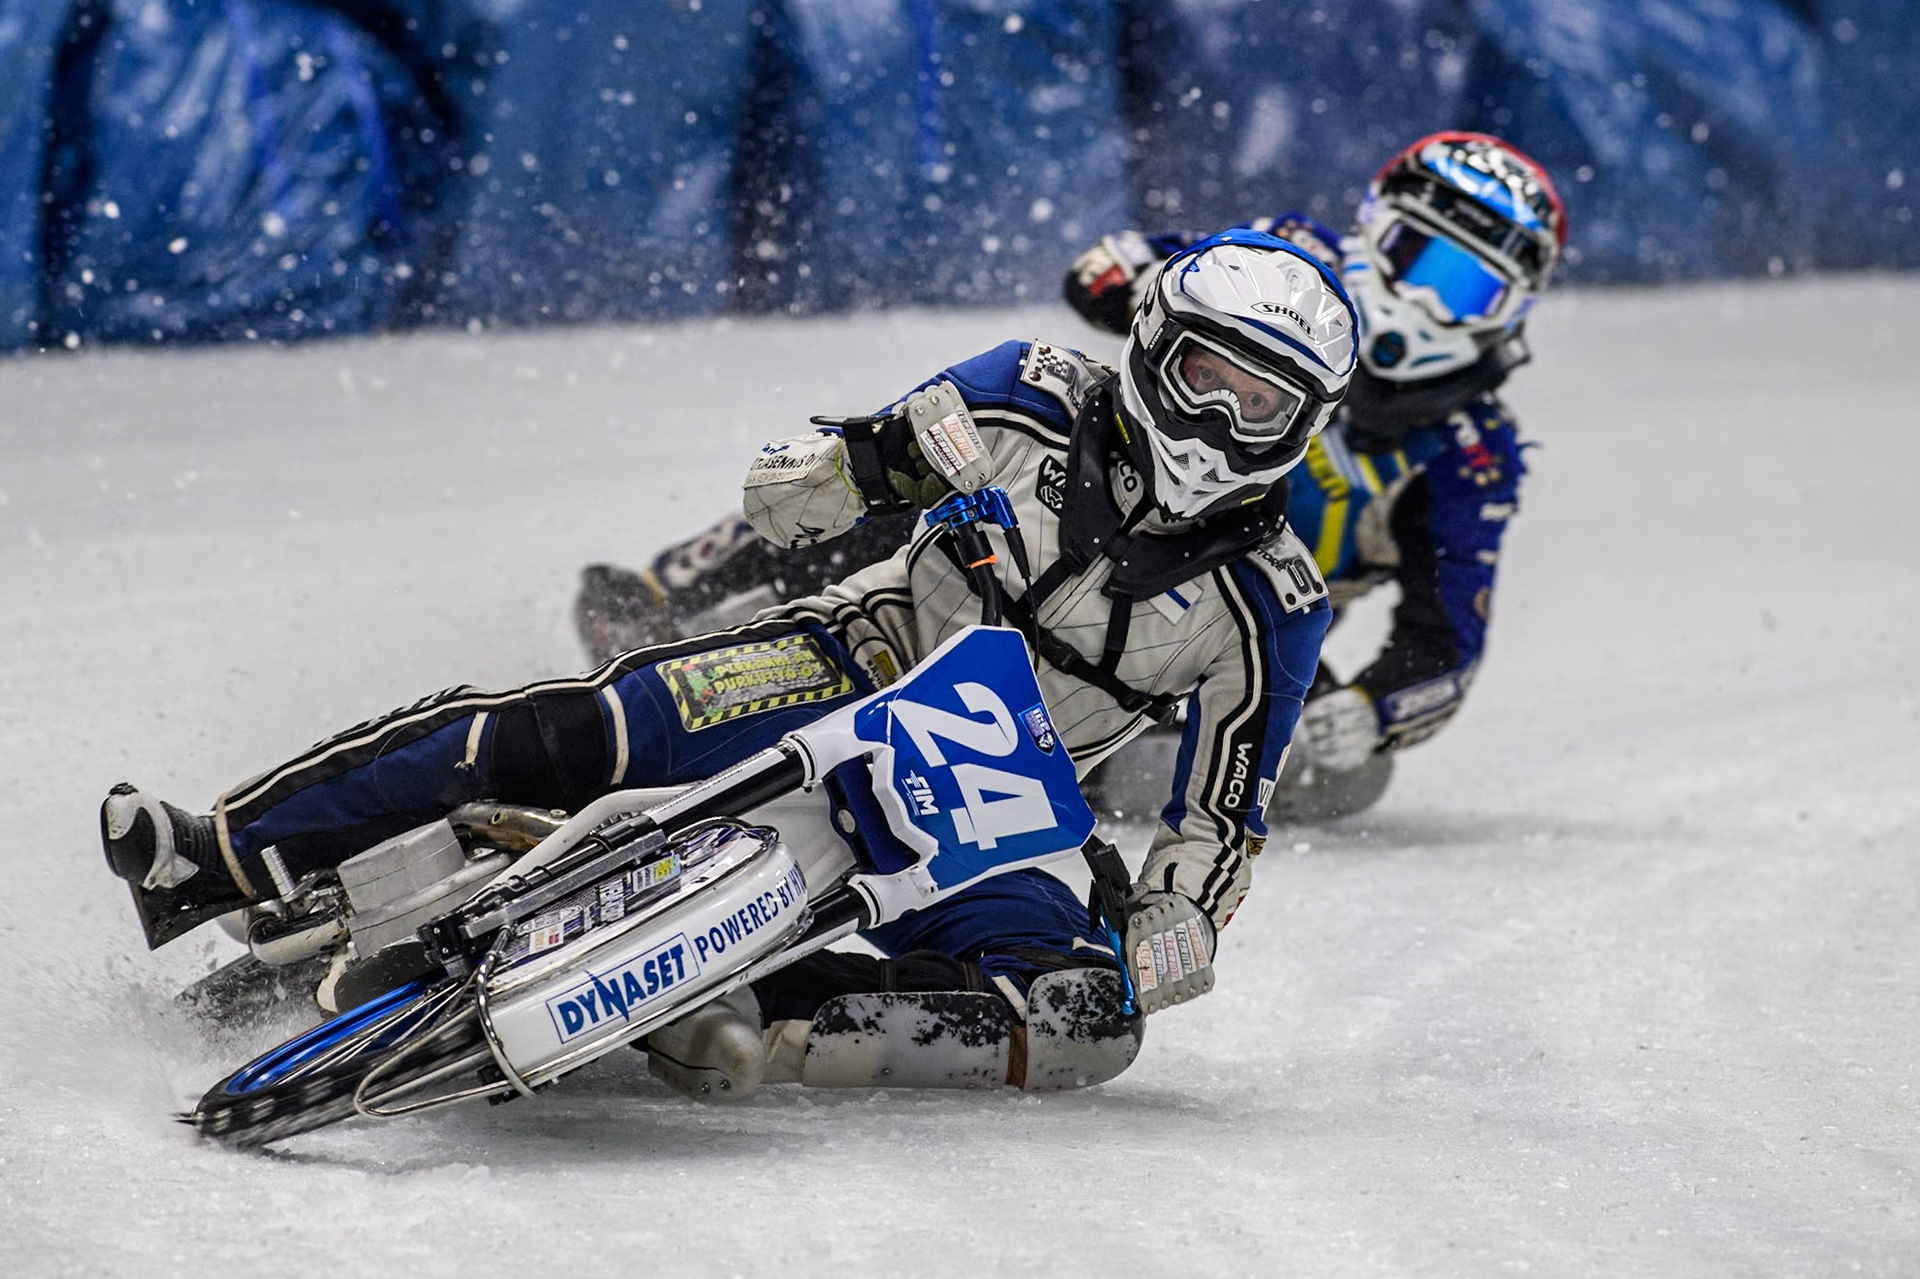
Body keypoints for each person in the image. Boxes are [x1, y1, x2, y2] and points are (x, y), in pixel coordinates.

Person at [102, 229, 1356, 1098]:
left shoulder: (1274, 600)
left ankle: (760, 1014)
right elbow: (810, 488)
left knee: (1090, 1022)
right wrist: (844, 472)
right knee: (589, 726)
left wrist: (1176, 916)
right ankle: (215, 847)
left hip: (1010, 801)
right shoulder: (1031, 389)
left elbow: (1221, 811)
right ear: (1151, 340)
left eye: (1261, 406)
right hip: (858, 656)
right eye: (1204, 375)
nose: (1212, 425)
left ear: (1304, 430)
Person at [575, 133, 1566, 816]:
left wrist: (1370, 710)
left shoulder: (1469, 456)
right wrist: (1134, 276)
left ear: (1511, 313)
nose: (1429, 306)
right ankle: (675, 593)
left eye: (1468, 286)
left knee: (1351, 780)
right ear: (1369, 228)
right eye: (1414, 257)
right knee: (941, 456)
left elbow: (1449, 641)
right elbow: (1121, 274)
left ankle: (1076, 755)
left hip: (1209, 627)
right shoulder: (1287, 266)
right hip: (1074, 512)